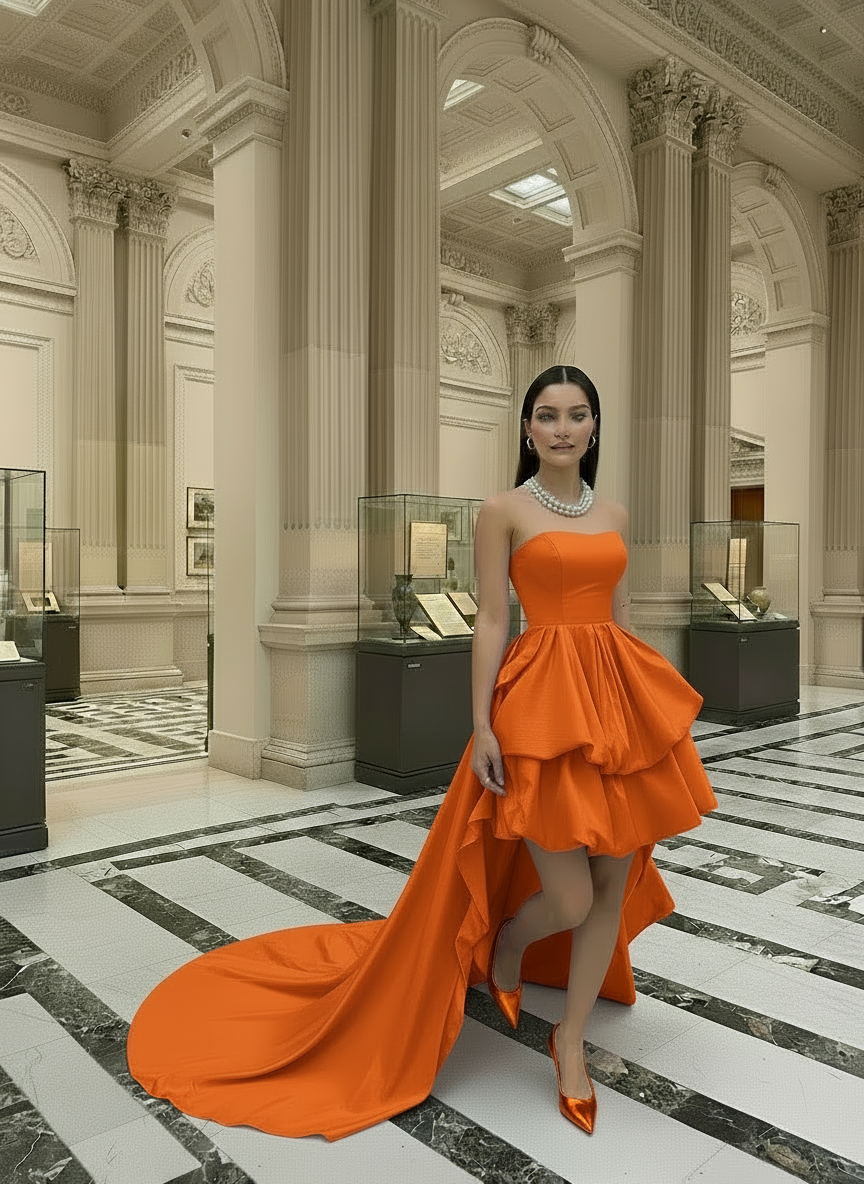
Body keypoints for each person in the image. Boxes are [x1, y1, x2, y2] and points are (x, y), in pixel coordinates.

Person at [127, 364, 717, 1140]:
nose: (563, 428)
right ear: (527, 429)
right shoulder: (503, 511)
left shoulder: (613, 513)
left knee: (612, 881)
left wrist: (648, 710)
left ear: (595, 427)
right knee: (570, 896)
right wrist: (484, 724)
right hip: (543, 705)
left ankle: (569, 1040)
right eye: (547, 415)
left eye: (577, 415)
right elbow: (494, 620)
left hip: (615, 702)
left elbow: (623, 614)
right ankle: (510, 940)